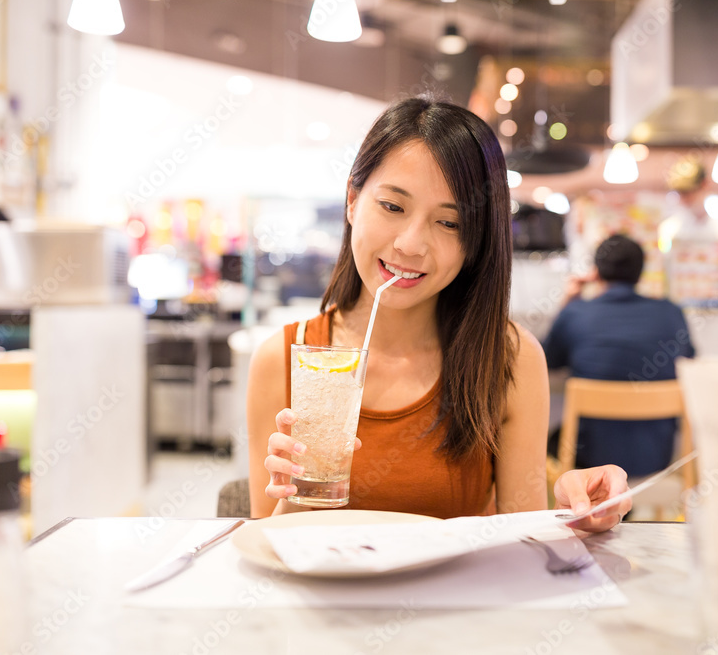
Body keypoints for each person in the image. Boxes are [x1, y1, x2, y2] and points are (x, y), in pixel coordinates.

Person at [247, 96, 631, 532]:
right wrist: (298, 499)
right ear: (353, 200)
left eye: (449, 223)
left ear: (475, 243)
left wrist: (571, 513)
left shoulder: (510, 357)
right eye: (393, 207)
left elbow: (522, 541)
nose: (411, 244)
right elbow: (265, 559)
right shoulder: (283, 360)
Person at [542, 234, 695, 477]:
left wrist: (568, 301)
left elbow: (546, 360)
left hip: (590, 458)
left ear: (596, 272)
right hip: (655, 457)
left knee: (551, 440)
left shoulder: (577, 313)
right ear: (641, 272)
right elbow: (689, 360)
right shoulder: (671, 314)